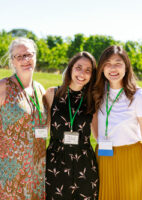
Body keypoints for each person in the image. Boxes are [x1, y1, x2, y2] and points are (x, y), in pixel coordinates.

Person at [0, 37, 47, 200]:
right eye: (19, 57)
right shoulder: (3, 87)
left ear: (35, 56)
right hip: (5, 172)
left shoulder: (40, 89)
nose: (25, 60)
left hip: (34, 173)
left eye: (28, 55)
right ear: (12, 61)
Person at [92, 45, 142, 199]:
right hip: (104, 159)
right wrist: (101, 140)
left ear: (126, 67)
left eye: (117, 63)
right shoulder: (97, 93)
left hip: (131, 159)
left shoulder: (138, 96)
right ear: (101, 68)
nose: (112, 68)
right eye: (107, 63)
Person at [44, 51, 99, 200]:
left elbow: (99, 135)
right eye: (78, 67)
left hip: (85, 165)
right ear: (70, 68)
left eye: (88, 70)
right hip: (56, 163)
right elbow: (42, 130)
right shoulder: (51, 94)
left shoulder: (93, 99)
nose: (82, 73)